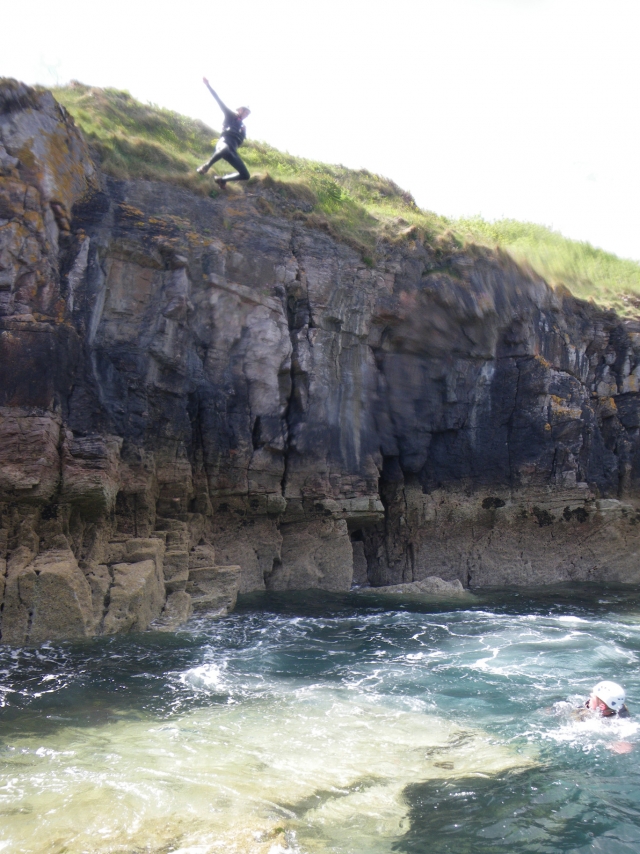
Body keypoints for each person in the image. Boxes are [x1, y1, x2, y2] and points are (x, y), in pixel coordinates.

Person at [196, 78, 251, 188]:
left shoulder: (243, 126)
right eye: (245, 111)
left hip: (232, 150)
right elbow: (219, 100)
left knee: (245, 175)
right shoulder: (231, 115)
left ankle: (222, 180)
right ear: (239, 110)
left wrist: (243, 133)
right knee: (224, 149)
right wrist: (208, 85)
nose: (246, 114)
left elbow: (240, 142)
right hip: (224, 142)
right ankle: (206, 166)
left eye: (247, 113)